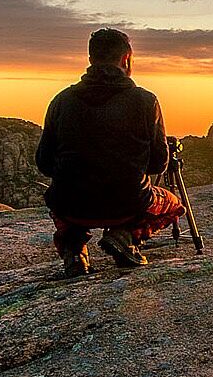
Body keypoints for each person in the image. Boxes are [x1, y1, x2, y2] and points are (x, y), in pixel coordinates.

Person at [35, 27, 183, 277]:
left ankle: (74, 249)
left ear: (91, 59)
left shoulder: (62, 101)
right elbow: (159, 164)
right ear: (127, 59)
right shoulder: (146, 101)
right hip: (127, 204)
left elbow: (44, 163)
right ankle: (124, 237)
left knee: (58, 195)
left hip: (70, 205)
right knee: (174, 204)